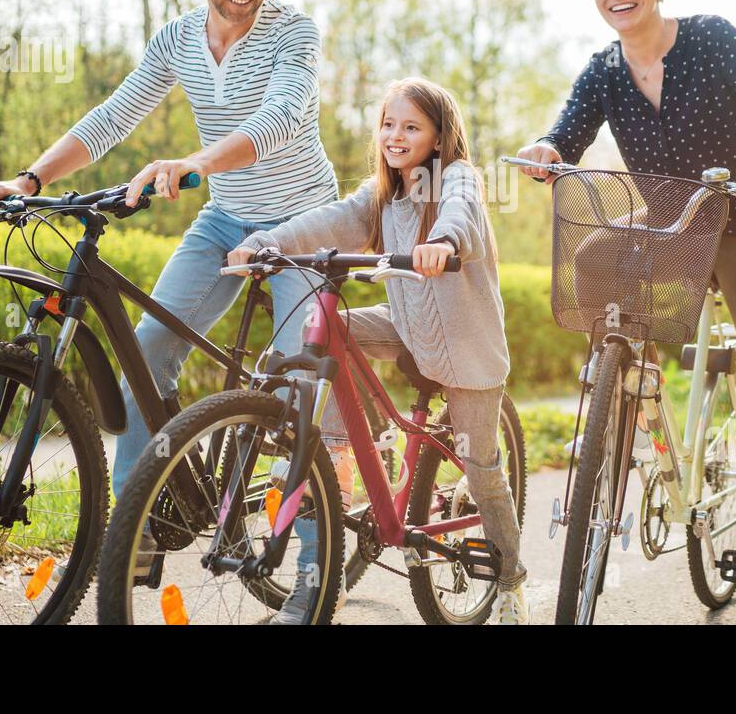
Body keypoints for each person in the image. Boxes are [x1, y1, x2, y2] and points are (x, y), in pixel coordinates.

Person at [0, 0, 338, 592]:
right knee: (145, 351)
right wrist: (31, 177)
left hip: (303, 227)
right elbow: (112, 116)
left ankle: (317, 560)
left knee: (296, 384)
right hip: (227, 219)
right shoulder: (176, 40)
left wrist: (193, 164)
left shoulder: (293, 32)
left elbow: (282, 117)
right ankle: (132, 537)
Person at [515, 0, 736, 625]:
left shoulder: (712, 39)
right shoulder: (604, 69)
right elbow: (566, 132)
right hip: (672, 232)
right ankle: (631, 370)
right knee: (593, 256)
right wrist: (546, 147)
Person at [226, 77, 529, 625]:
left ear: (438, 138)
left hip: (468, 349)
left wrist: (443, 243)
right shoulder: (381, 194)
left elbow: (461, 212)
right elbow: (332, 220)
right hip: (407, 326)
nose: (395, 136)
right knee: (322, 329)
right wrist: (265, 243)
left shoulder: (455, 177)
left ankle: (510, 579)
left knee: (482, 468)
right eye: (388, 124)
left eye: (411, 127)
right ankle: (340, 452)